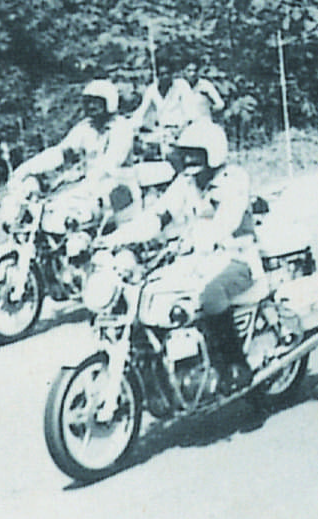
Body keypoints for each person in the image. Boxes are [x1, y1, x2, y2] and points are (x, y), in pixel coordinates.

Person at [106, 119, 260, 394]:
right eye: (185, 152)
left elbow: (227, 220)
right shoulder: (185, 183)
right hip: (196, 259)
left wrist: (203, 240)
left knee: (210, 296)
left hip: (236, 257)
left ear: (213, 152)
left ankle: (234, 366)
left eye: (195, 152)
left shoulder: (233, 179)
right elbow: (158, 216)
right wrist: (117, 238)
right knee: (147, 296)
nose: (188, 159)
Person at [5, 79, 140, 225]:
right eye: (88, 102)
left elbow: (110, 164)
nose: (91, 106)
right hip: (91, 188)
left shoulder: (121, 128)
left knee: (76, 213)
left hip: (118, 188)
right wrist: (24, 170)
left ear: (109, 102)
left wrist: (80, 188)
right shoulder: (85, 128)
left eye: (96, 102)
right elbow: (60, 153)